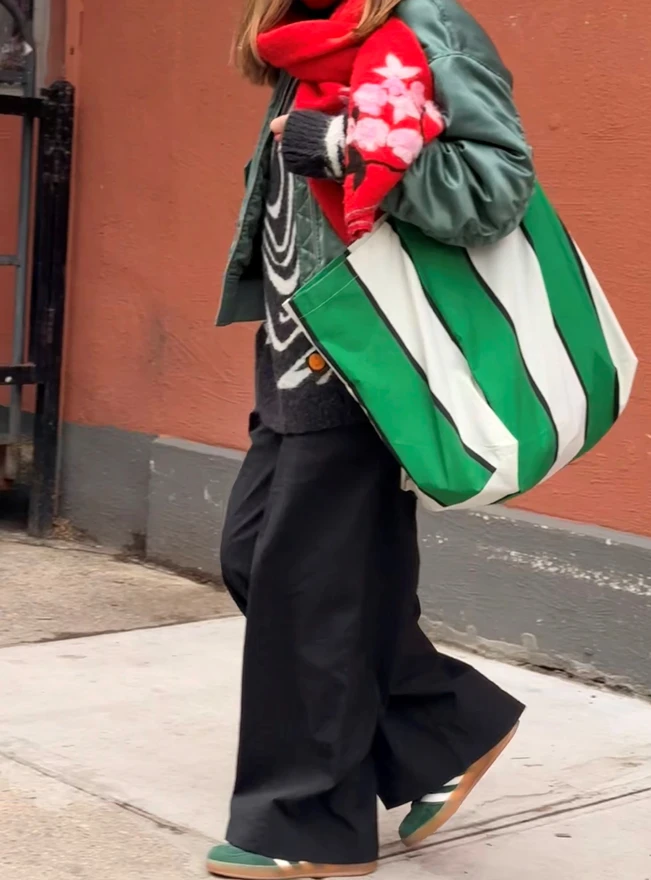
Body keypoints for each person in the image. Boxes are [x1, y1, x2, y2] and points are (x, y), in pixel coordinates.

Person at [209, 1, 534, 877]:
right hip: (292, 347)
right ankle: (441, 727)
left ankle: (309, 825)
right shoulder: (300, 36)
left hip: (368, 354)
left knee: (309, 583)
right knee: (258, 559)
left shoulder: (429, 27)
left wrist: (341, 146)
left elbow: (498, 185)